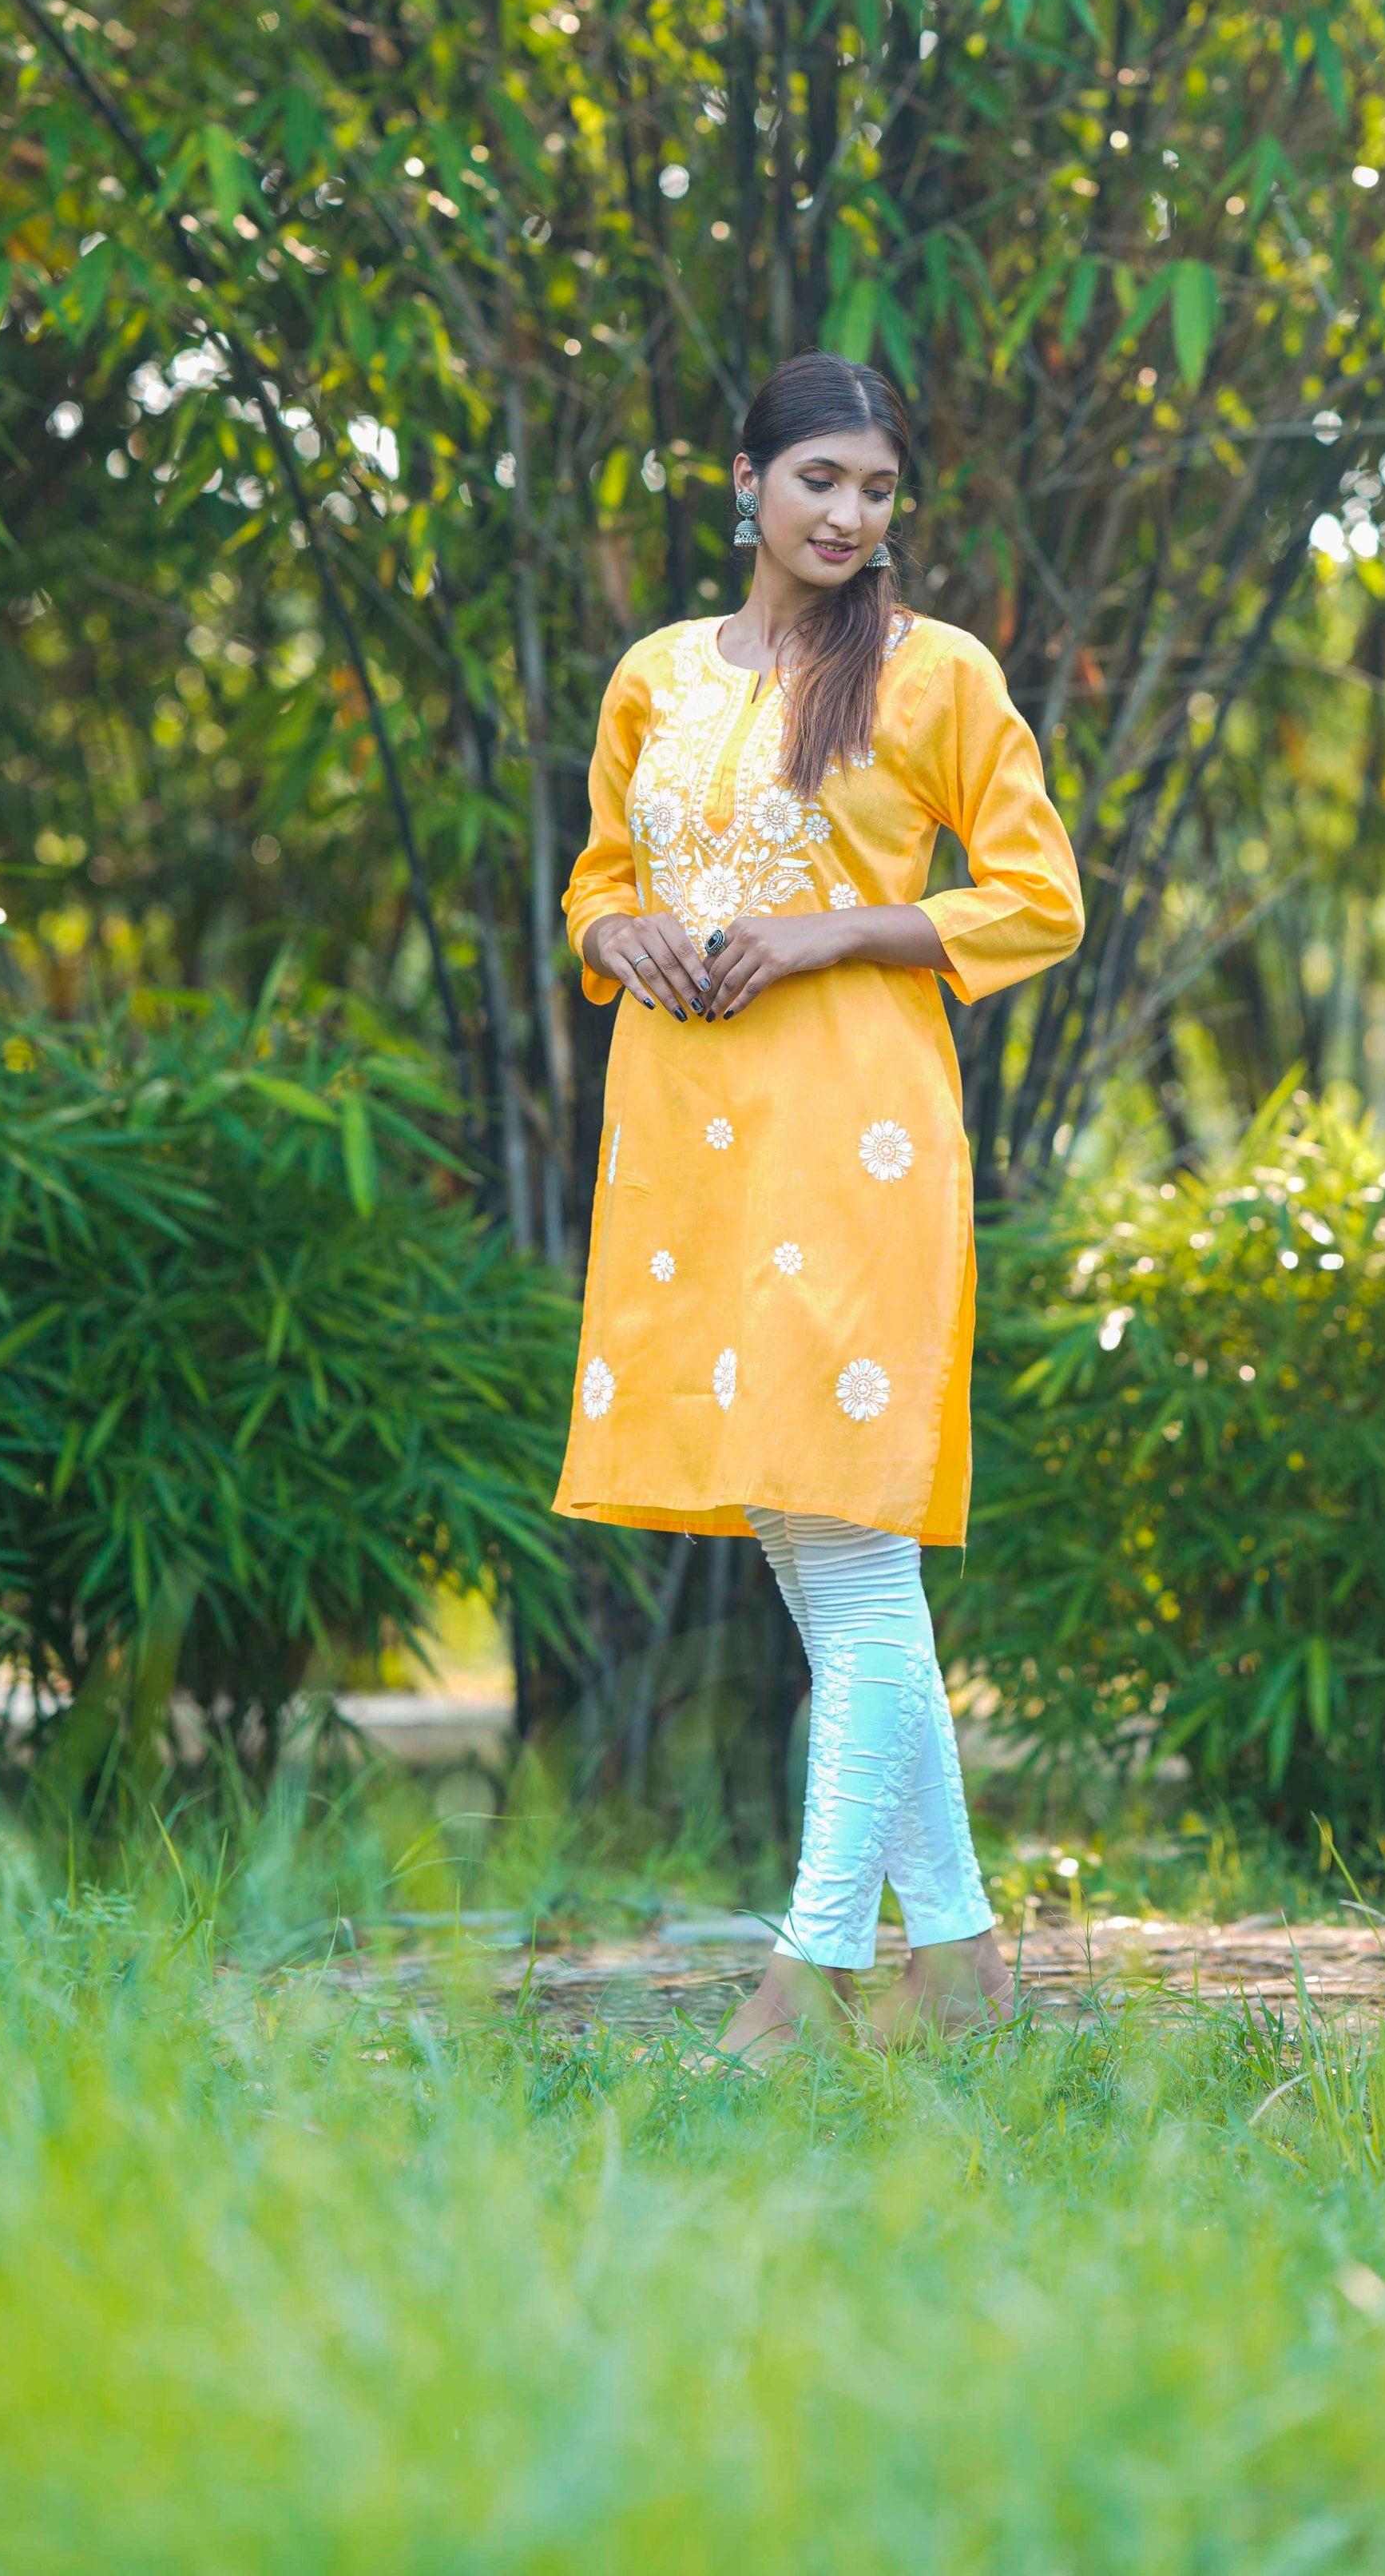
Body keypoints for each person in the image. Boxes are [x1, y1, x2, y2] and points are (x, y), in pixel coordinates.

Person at [554, 352, 1085, 2061]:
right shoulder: (651, 676)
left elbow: (1037, 897)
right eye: (821, 481)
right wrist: (605, 935)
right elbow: (601, 871)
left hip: (854, 1134)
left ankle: (804, 1976)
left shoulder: (934, 676)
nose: (851, 514)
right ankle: (969, 1969)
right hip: (685, 1142)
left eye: (876, 488)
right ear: (745, 480)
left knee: (851, 1566)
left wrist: (830, 929)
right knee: (818, 1560)